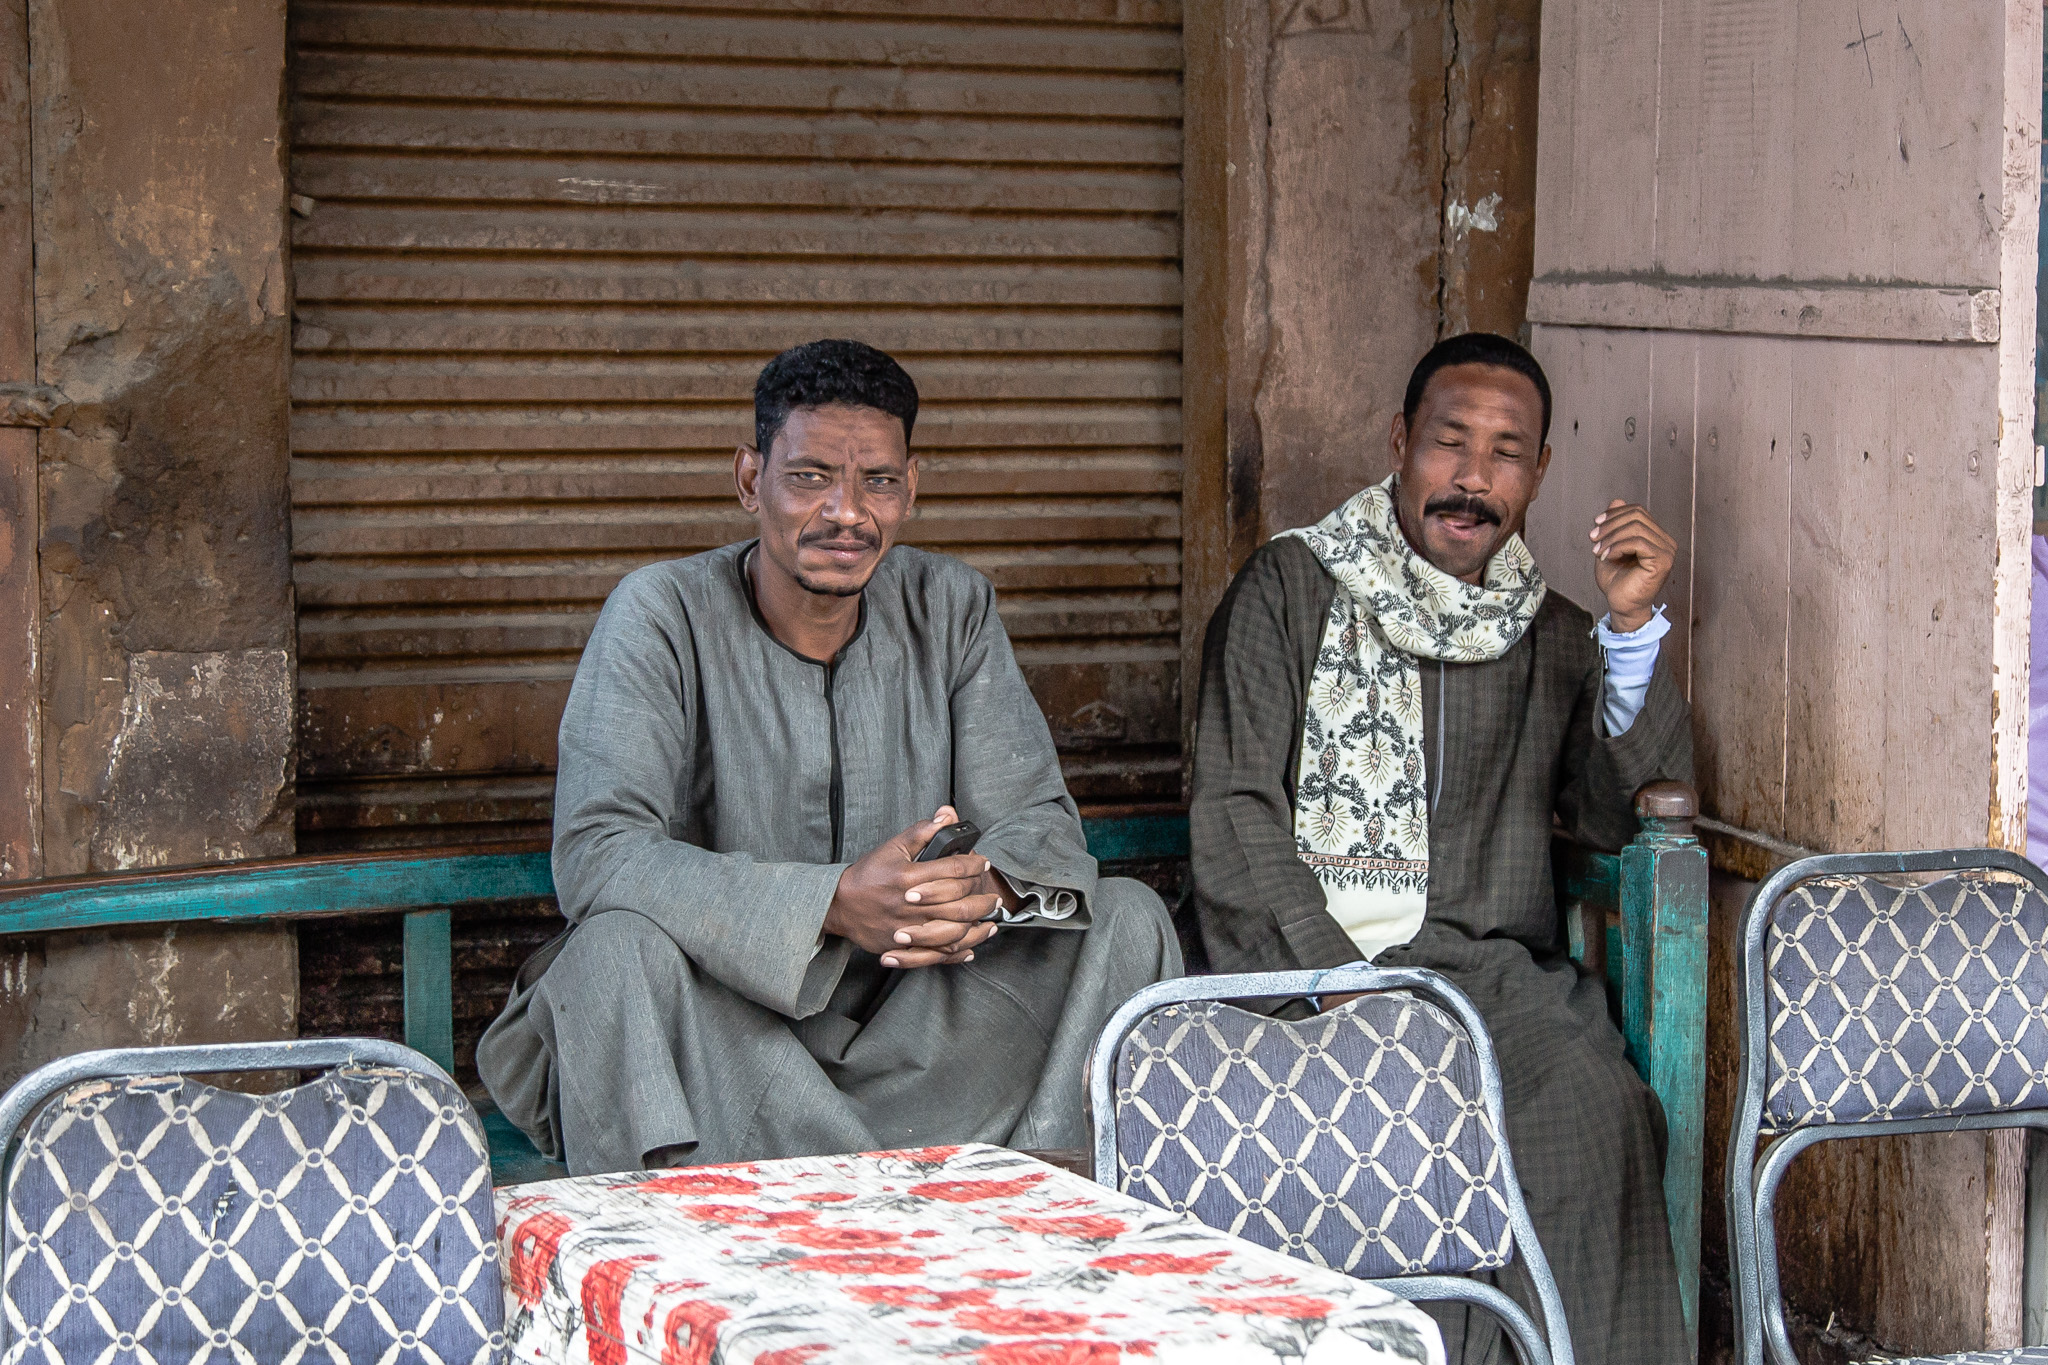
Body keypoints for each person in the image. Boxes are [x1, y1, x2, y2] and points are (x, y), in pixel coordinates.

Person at [479, 338, 1180, 1176]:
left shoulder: (951, 607)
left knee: (1127, 916)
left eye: (877, 481)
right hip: (729, 1040)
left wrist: (961, 897)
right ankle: (798, 1209)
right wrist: (835, 904)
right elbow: (599, 853)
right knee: (612, 953)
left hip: (917, 1034)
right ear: (750, 480)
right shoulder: (660, 614)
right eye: (810, 476)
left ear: (910, 489)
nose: (847, 512)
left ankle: (1026, 1211)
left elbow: (1040, 826)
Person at [1188, 332, 1690, 1364]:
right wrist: (1333, 981)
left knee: (1593, 1114)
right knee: (1367, 1112)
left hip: (1488, 981)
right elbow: (1233, 805)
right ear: (1398, 442)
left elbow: (1608, 818)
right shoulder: (1287, 590)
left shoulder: (1553, 633)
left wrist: (1630, 629)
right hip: (1300, 974)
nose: (1472, 479)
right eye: (1449, 442)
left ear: (1539, 473)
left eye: (1506, 453)